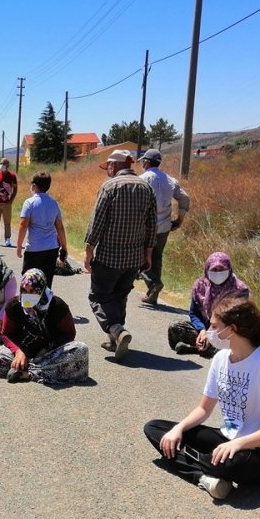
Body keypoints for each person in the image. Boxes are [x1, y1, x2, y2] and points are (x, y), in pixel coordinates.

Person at [144, 297, 260, 500]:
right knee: (156, 429)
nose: (208, 331)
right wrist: (178, 428)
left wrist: (238, 444)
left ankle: (197, 465)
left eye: (214, 326)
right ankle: (204, 477)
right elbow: (204, 409)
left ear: (231, 329)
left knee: (229, 463)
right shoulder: (220, 358)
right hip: (228, 437)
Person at [83, 150, 157, 361]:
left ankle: (116, 329)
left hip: (109, 256)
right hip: (133, 258)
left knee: (98, 296)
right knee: (119, 297)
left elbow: (97, 222)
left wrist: (89, 251)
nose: (107, 170)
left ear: (113, 166)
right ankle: (114, 339)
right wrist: (148, 254)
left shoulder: (110, 186)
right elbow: (151, 225)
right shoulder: (146, 188)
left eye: (107, 166)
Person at [0, 269, 89, 384]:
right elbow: (6, 334)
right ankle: (42, 370)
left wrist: (48, 348)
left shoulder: (57, 306)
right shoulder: (13, 306)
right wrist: (18, 352)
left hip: (50, 353)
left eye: (33, 291)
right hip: (24, 350)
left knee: (81, 349)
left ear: (42, 290)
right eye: (24, 290)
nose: (27, 295)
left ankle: (28, 373)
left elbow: (69, 334)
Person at [169, 252, 250, 358]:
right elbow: (194, 313)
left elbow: (237, 319)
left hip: (226, 331)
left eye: (221, 269)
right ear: (207, 269)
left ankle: (197, 348)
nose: (218, 273)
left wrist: (211, 334)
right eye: (214, 270)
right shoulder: (199, 286)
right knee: (175, 327)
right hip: (205, 328)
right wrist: (202, 331)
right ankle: (202, 347)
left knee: (227, 347)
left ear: (229, 269)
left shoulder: (239, 289)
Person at [137, 149, 190, 305]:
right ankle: (152, 294)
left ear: (147, 162)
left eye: (143, 161)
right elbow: (185, 198)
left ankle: (154, 283)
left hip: (145, 227)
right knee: (156, 257)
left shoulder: (142, 180)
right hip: (164, 226)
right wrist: (179, 220)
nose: (142, 163)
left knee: (138, 256)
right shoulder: (170, 180)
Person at [16, 171, 67, 288]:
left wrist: (19, 246)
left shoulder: (29, 203)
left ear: (34, 185)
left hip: (34, 249)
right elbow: (59, 227)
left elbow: (23, 225)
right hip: (51, 249)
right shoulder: (54, 203)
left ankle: (29, 300)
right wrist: (64, 247)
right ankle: (45, 299)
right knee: (46, 282)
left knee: (29, 283)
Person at [0, 157, 18, 247]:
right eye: (1, 163)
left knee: (7, 222)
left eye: (4, 164)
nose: (1, 165)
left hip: (7, 204)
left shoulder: (12, 176)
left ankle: (7, 239)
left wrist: (11, 200)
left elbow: (15, 188)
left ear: (8, 165)